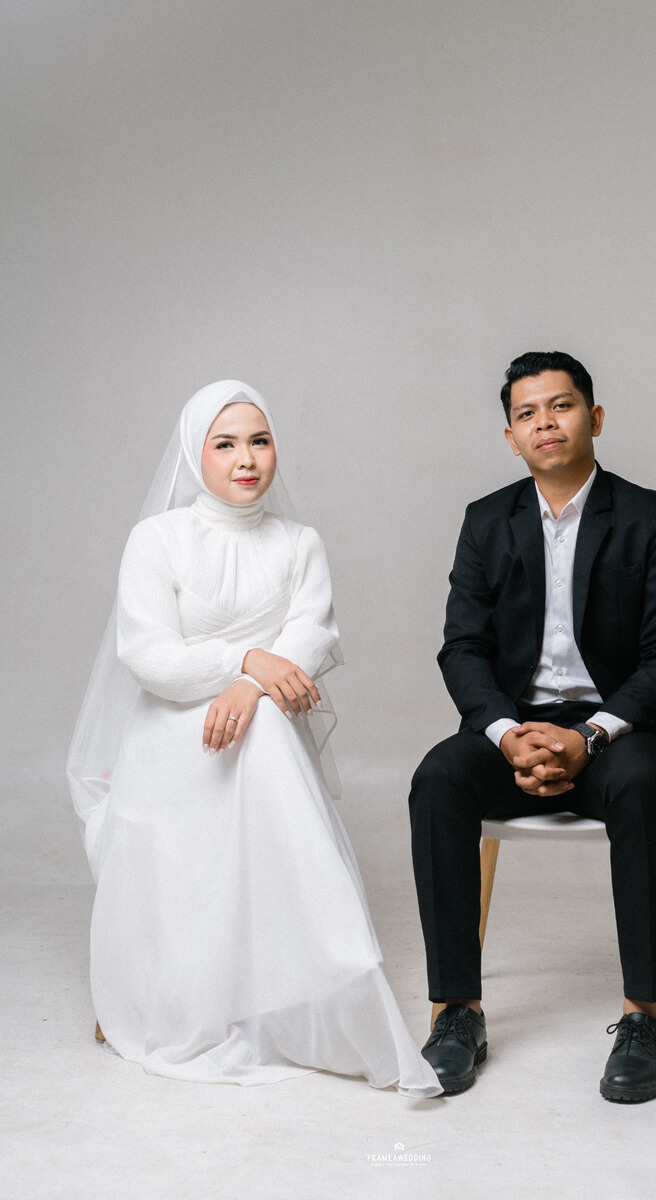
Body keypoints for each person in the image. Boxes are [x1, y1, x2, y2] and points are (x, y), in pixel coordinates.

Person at [67, 380, 440, 1097]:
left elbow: (311, 635)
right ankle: (175, 996)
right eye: (226, 444)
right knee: (256, 737)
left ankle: (295, 986)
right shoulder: (158, 539)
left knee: (266, 724)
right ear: (194, 454)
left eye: (260, 441)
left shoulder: (300, 543)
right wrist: (246, 663)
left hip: (262, 729)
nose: (247, 459)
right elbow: (148, 655)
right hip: (175, 732)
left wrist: (250, 687)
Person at [409, 351, 656, 1102]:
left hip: (618, 730)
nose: (545, 423)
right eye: (527, 413)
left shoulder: (649, 517)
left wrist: (591, 737)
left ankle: (643, 1018)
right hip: (517, 726)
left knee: (642, 781)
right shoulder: (486, 521)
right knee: (439, 778)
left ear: (594, 418)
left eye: (562, 406)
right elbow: (462, 648)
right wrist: (508, 734)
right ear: (511, 437)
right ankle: (458, 1012)